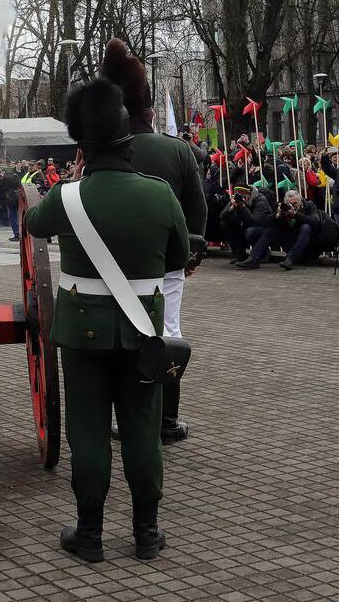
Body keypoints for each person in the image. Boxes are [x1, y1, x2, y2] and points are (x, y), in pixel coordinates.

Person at [23, 77, 189, 564]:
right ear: (127, 141)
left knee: (89, 431)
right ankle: (145, 531)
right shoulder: (159, 195)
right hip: (143, 335)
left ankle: (90, 533)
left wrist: (69, 178)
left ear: (83, 145)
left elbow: (33, 225)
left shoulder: (69, 197)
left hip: (82, 337)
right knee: (141, 428)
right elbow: (178, 255)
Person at [100, 39, 206, 443]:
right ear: (148, 110)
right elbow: (198, 212)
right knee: (168, 334)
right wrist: (190, 256)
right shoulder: (177, 150)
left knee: (124, 339)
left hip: (114, 265)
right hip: (168, 263)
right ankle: (165, 422)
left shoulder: (108, 152)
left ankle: (126, 418)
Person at [235, 189, 321, 270]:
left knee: (306, 227)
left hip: (308, 248)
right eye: (289, 204)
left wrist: (296, 214)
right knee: (272, 230)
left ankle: (290, 259)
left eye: (295, 203)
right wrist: (277, 215)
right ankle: (253, 259)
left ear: (300, 201)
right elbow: (263, 224)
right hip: (290, 243)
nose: (292, 206)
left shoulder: (309, 205)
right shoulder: (281, 208)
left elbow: (316, 223)